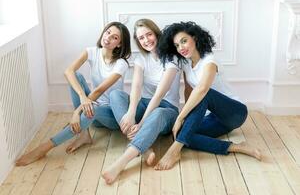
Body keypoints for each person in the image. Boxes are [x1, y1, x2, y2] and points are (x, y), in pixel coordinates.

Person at [15, 22, 131, 166]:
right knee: (76, 76)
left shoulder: (121, 64)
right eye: (108, 32)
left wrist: (76, 112)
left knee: (91, 109)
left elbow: (99, 90)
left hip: (110, 116)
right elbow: (68, 71)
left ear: (119, 44)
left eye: (114, 37)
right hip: (91, 107)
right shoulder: (92, 51)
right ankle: (84, 134)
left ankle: (45, 147)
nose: (108, 37)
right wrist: (83, 97)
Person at [154, 21, 261, 170]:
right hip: (215, 118)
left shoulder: (210, 61)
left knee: (203, 95)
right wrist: (185, 118)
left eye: (184, 41)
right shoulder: (186, 63)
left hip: (234, 112)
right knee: (183, 134)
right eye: (177, 45)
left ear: (195, 38)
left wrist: (180, 117)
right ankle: (235, 147)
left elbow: (202, 90)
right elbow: (189, 91)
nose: (181, 48)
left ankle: (174, 151)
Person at [101, 19, 181, 184]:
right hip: (144, 103)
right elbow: (136, 87)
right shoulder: (140, 59)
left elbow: (159, 95)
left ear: (156, 33)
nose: (146, 40)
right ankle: (144, 149)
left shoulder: (172, 57)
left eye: (149, 34)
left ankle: (122, 162)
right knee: (116, 95)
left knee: (157, 112)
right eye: (141, 38)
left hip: (167, 109)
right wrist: (131, 113)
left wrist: (142, 122)